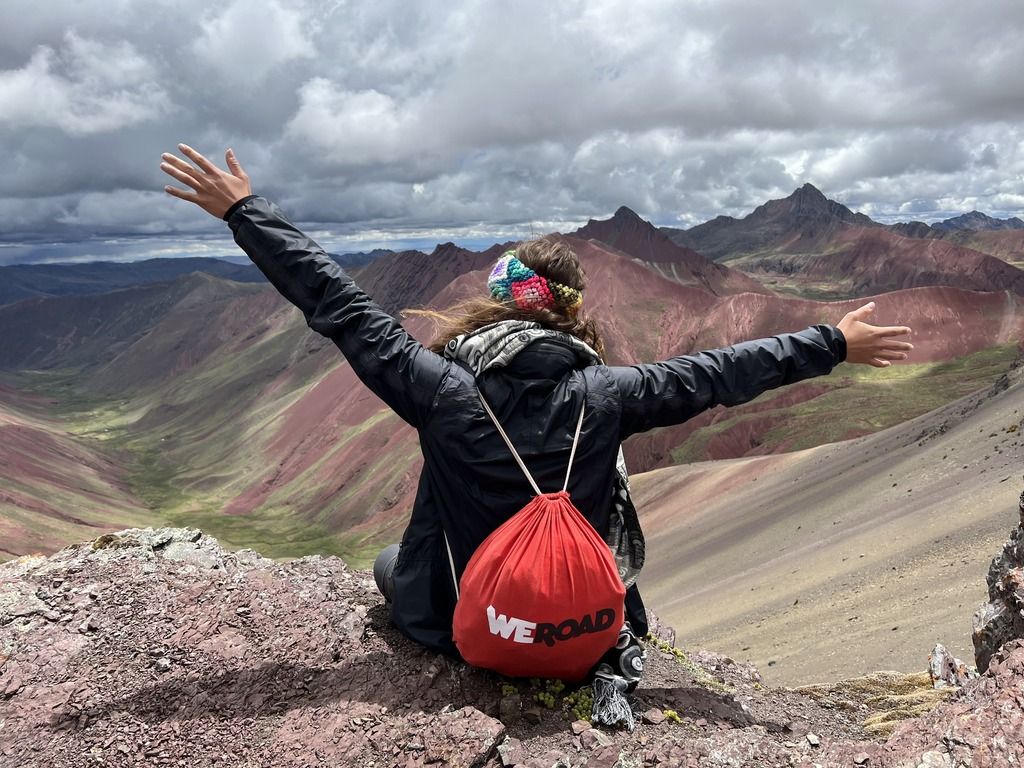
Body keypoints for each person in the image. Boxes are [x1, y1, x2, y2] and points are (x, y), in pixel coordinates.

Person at [159, 144, 913, 679]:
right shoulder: (609, 395)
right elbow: (721, 374)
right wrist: (833, 343)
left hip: (458, 630)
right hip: (584, 633)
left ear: (498, 305)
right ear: (573, 319)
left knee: (390, 567)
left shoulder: (440, 388)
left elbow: (342, 308)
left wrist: (247, 213)